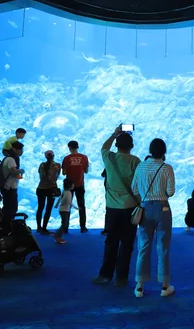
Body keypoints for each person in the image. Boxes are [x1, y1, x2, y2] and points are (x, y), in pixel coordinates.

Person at [93, 127, 141, 286]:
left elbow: (103, 147)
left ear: (116, 145)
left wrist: (114, 133)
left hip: (112, 208)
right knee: (127, 243)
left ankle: (105, 275)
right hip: (131, 208)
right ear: (132, 146)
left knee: (111, 241)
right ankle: (121, 277)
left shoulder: (109, 157)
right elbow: (139, 186)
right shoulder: (136, 161)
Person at [132, 138, 176, 298]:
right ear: (164, 151)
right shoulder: (167, 168)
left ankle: (139, 287)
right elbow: (171, 191)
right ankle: (164, 286)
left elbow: (134, 188)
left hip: (144, 208)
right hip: (162, 208)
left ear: (150, 150)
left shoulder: (141, 166)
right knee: (162, 247)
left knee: (143, 247)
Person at [62, 140, 89, 233]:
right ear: (77, 147)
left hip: (69, 186)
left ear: (69, 147)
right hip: (80, 184)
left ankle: (65, 227)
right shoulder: (84, 157)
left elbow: (64, 172)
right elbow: (86, 171)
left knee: (67, 206)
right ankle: (83, 227)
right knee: (81, 205)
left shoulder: (66, 158)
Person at [35, 150, 61, 234]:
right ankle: (45, 228)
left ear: (45, 157)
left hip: (41, 188)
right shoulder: (57, 165)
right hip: (52, 189)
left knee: (40, 208)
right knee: (48, 209)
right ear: (53, 156)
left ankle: (39, 227)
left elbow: (40, 176)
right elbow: (57, 177)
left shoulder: (42, 165)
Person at [0, 141, 25, 222]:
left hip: (7, 187)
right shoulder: (10, 159)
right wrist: (21, 170)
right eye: (20, 149)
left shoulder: (7, 158)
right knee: (11, 208)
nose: (22, 151)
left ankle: (5, 225)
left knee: (8, 207)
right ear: (14, 149)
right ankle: (6, 226)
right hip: (9, 187)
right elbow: (13, 172)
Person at [54, 178, 76, 245]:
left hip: (61, 210)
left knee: (64, 223)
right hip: (65, 210)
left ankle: (57, 234)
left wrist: (57, 205)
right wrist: (76, 208)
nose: (74, 185)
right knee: (64, 224)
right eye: (73, 184)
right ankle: (58, 237)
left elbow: (60, 199)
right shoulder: (69, 193)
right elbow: (69, 202)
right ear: (70, 185)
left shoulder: (64, 191)